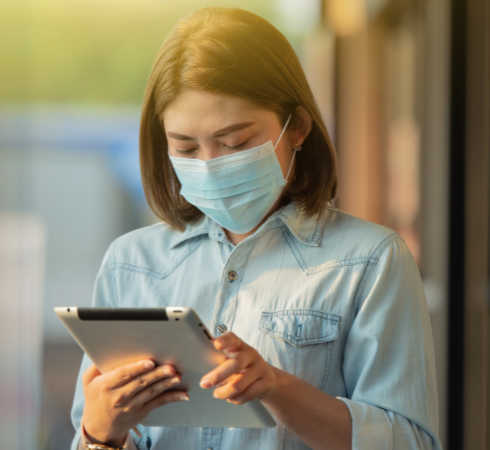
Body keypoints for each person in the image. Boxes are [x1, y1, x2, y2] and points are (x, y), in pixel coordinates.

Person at [69, 7, 441, 450]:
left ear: (297, 127)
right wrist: (99, 433)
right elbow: (92, 432)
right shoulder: (131, 264)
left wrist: (277, 389)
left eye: (235, 143)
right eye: (185, 147)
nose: (209, 165)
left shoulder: (371, 261)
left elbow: (411, 442)